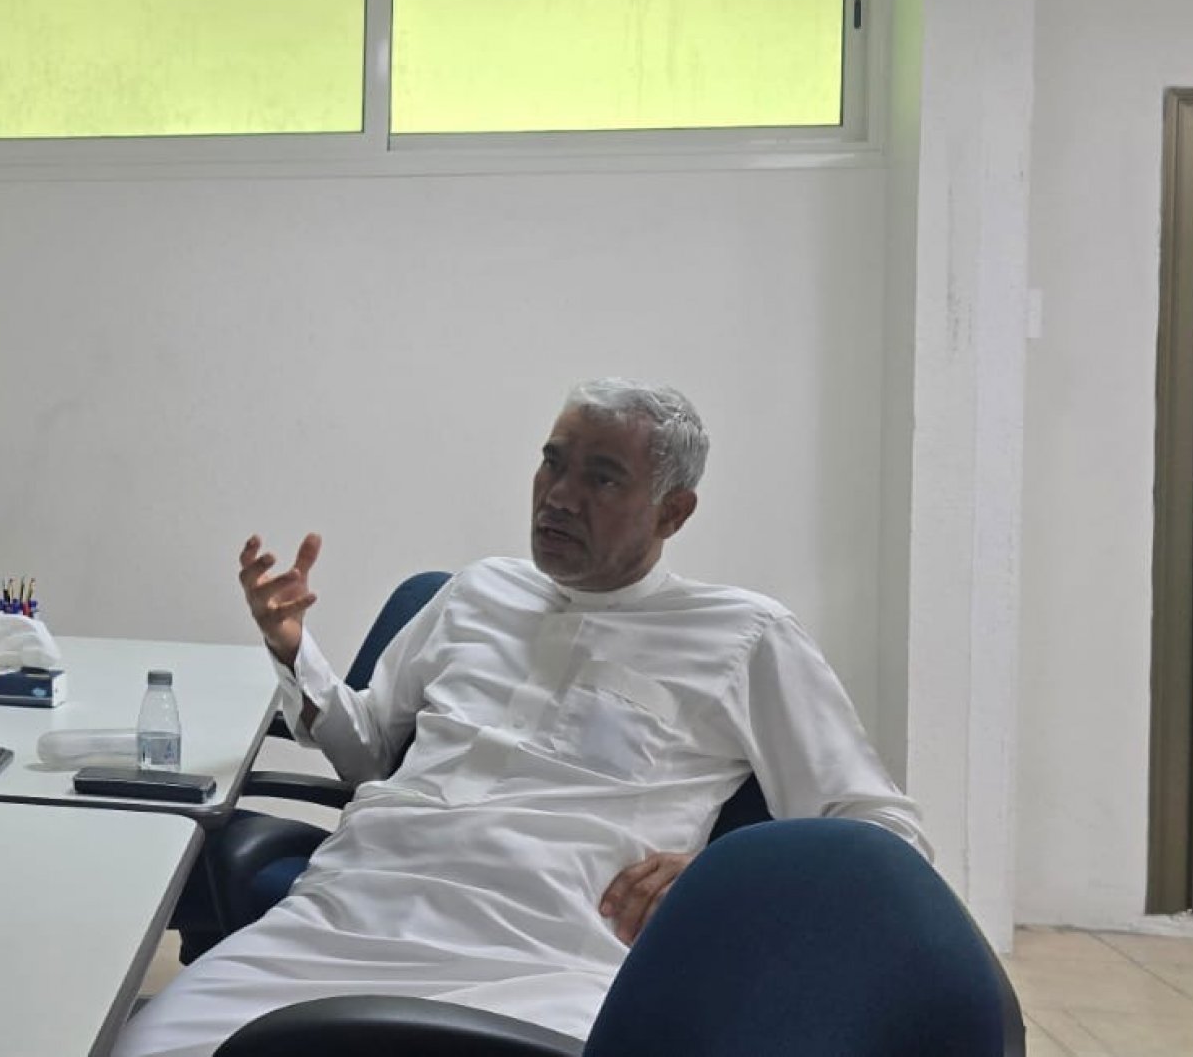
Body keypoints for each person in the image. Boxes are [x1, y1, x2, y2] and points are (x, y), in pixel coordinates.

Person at [116, 378, 925, 1056]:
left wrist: (725, 871)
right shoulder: (475, 592)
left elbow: (883, 835)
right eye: (552, 462)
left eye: (602, 479)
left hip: (543, 961)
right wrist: (294, 649)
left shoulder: (742, 637)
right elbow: (366, 755)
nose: (560, 497)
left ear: (673, 513)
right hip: (338, 918)